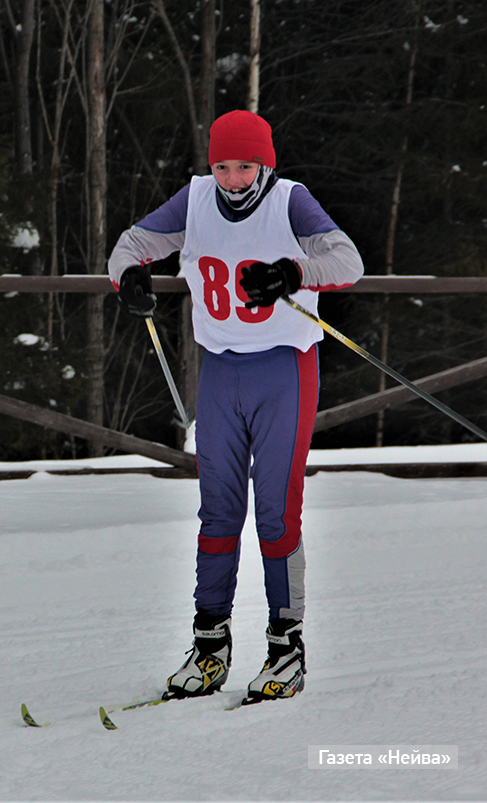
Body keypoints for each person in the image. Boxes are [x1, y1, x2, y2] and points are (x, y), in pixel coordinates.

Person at [108, 110, 364, 704]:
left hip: (283, 368)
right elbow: (133, 244)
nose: (232, 177)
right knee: (218, 512)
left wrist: (292, 271)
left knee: (275, 513)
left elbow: (347, 261)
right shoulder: (196, 198)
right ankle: (210, 645)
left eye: (245, 165)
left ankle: (285, 646)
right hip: (220, 369)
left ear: (264, 162)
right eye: (222, 164)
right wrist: (129, 277)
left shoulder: (291, 201)